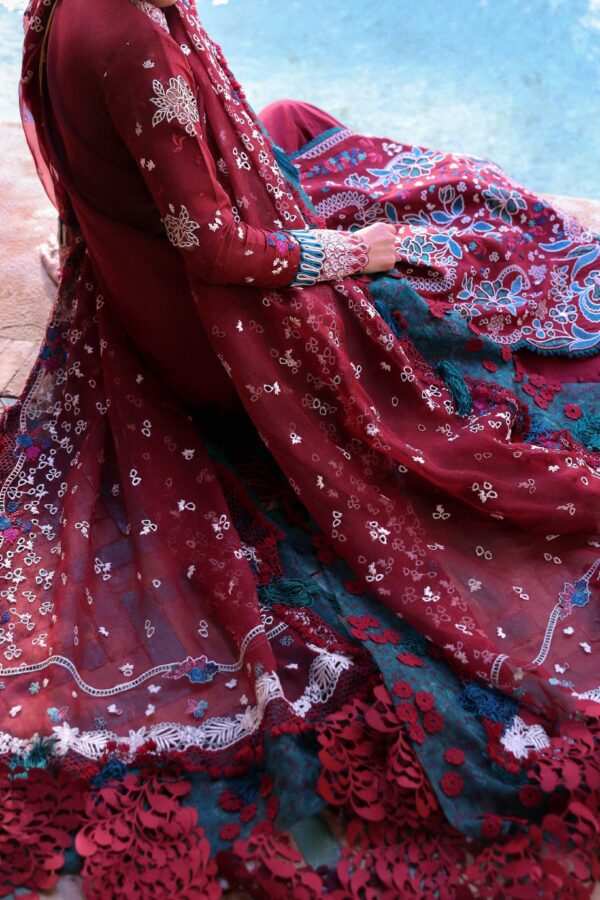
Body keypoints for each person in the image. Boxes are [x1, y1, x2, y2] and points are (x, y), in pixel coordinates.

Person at [2, 0, 598, 895]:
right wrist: (356, 253)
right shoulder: (131, 38)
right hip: (207, 333)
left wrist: (118, 249)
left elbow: (100, 171)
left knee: (296, 125)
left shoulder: (67, 8)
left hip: (139, 285)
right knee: (438, 304)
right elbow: (215, 251)